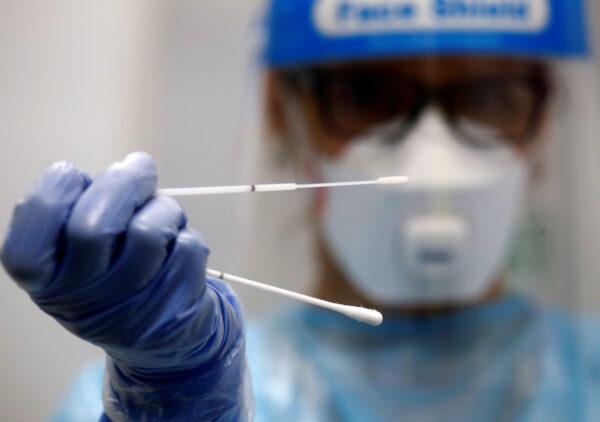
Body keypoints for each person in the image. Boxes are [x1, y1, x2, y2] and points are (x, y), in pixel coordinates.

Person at [2, 0, 599, 420]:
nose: (431, 158)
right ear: (284, 114)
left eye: (489, 97)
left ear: (544, 120)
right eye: (369, 95)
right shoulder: (133, 398)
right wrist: (171, 401)